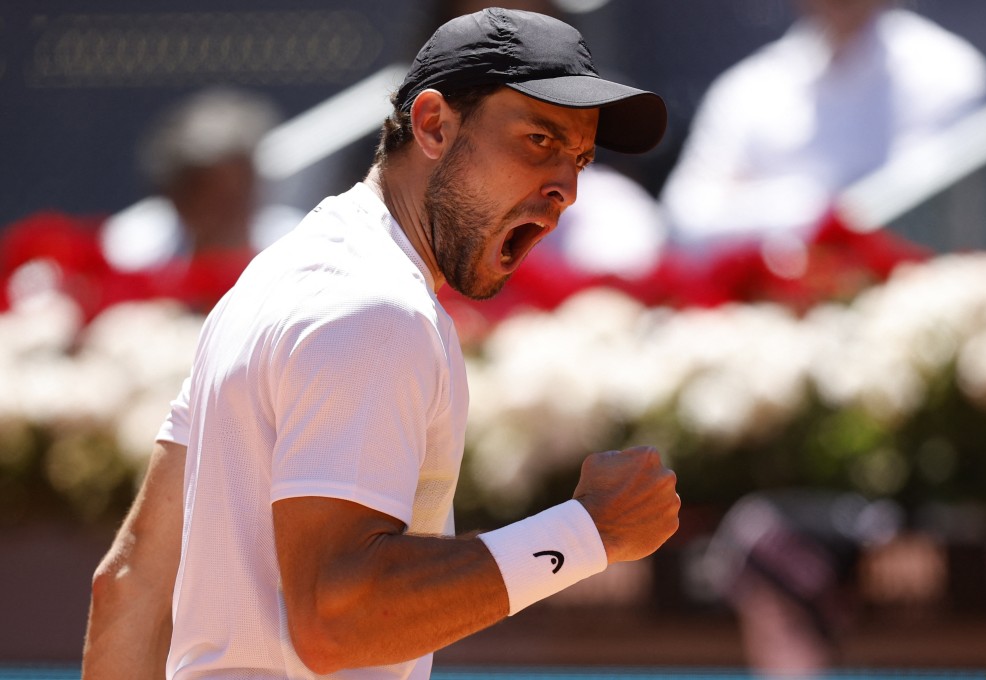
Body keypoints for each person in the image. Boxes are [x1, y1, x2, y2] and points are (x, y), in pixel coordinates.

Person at [82, 8, 679, 679]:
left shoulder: (277, 277)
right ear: (433, 126)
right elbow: (337, 619)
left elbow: (131, 582)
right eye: (540, 140)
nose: (566, 189)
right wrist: (586, 532)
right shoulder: (374, 307)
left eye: (580, 158)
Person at [659, 0, 986, 261]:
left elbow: (913, 215)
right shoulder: (748, 87)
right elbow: (686, 217)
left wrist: (755, 202)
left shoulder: (948, 71)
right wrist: (814, 206)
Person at [99, 87, 303, 309]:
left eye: (242, 192)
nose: (234, 211)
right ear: (177, 196)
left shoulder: (297, 243)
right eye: (217, 199)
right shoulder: (129, 247)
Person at [703, 489, 902, 677]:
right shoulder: (851, 539)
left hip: (743, 535)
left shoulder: (847, 535)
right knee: (790, 625)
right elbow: (819, 591)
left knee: (795, 624)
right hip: (748, 538)